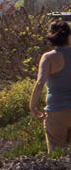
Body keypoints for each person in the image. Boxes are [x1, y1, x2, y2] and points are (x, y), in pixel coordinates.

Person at [30, 20, 71, 156]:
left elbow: (40, 83)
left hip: (56, 111)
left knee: (57, 156)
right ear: (69, 37)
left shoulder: (48, 58)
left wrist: (32, 106)